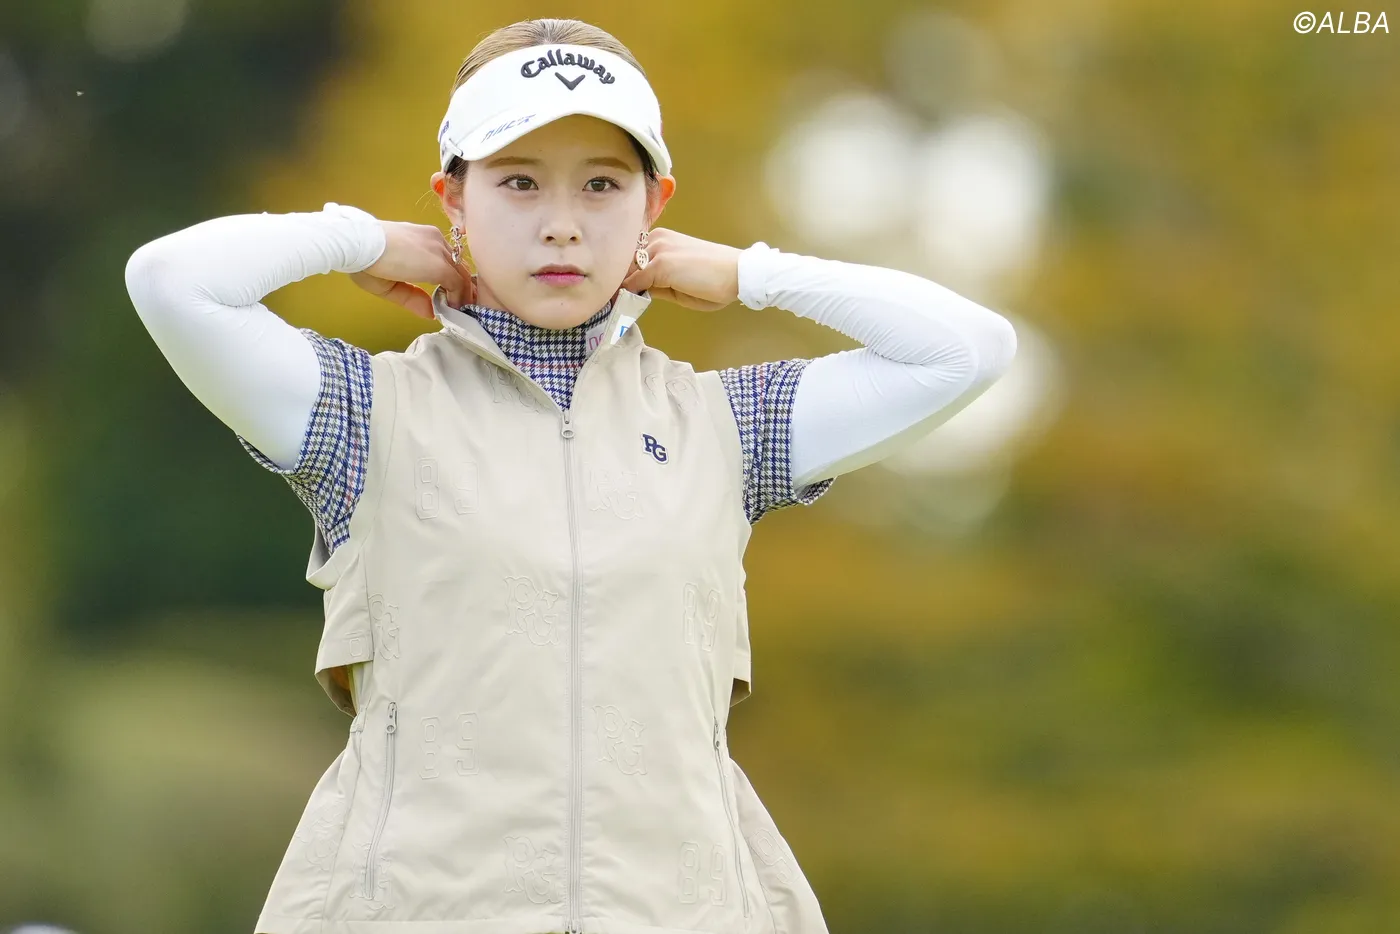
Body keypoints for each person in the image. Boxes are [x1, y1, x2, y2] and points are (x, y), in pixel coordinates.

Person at [124, 18, 1016, 934]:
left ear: (654, 203)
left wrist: (753, 274)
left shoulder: (726, 424)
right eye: (518, 182)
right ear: (453, 198)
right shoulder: (366, 412)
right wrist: (359, 240)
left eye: (602, 184)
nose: (562, 222)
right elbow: (169, 281)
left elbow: (968, 350)